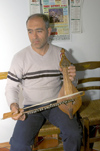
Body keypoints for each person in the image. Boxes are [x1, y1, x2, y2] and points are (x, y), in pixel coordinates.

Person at [5, 13, 82, 151]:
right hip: (31, 107)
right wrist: (13, 106)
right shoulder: (20, 57)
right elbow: (11, 87)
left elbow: (71, 86)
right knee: (18, 144)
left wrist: (72, 79)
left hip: (58, 105)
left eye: (39, 31)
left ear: (48, 31)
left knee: (74, 133)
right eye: (30, 31)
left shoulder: (61, 54)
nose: (34, 36)